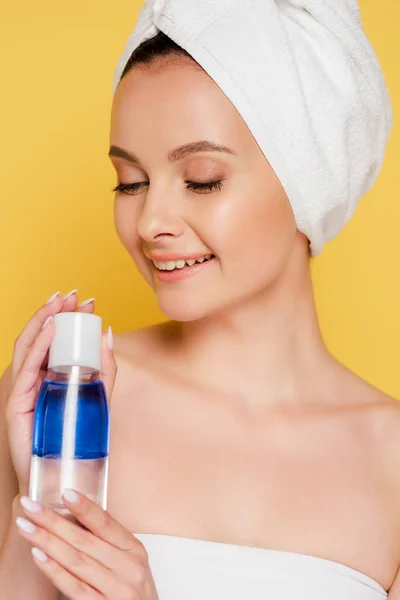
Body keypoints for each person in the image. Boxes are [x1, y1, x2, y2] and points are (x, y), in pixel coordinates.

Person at [0, 2, 398, 599]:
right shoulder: (58, 405)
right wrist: (47, 495)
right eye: (130, 182)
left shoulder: (391, 462)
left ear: (308, 183)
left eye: (202, 178)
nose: (151, 220)